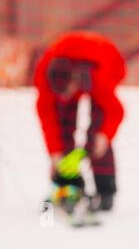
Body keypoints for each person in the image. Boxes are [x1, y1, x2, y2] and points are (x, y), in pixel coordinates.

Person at [33, 32, 126, 212]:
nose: (64, 98)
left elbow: (115, 111)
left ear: (76, 81)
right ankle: (69, 183)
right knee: (63, 126)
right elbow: (47, 116)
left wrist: (105, 136)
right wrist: (55, 153)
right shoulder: (44, 78)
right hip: (68, 61)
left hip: (107, 62)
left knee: (97, 136)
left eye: (67, 93)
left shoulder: (99, 76)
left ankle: (105, 191)